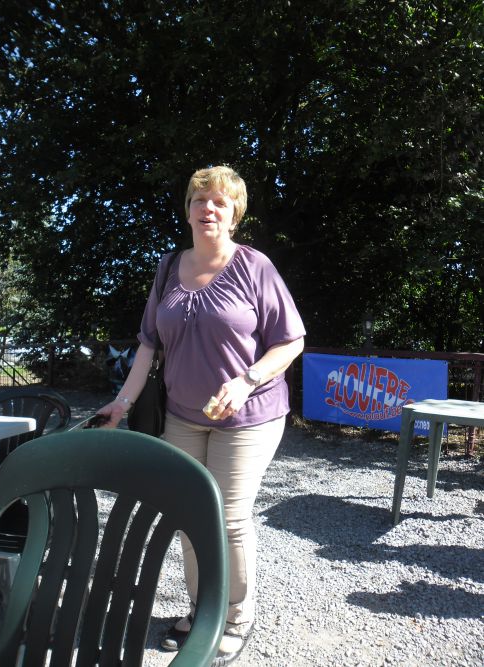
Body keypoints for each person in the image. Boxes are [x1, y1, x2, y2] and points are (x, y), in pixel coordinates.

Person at [98, 165, 305, 665]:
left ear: (235, 213)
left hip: (250, 415)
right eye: (199, 200)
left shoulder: (256, 267)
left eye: (219, 202)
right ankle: (202, 607)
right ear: (188, 210)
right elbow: (148, 343)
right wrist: (122, 402)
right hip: (183, 416)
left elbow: (292, 340)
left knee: (229, 520)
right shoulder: (169, 266)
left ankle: (236, 616)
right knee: (192, 515)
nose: (208, 208)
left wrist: (246, 380)